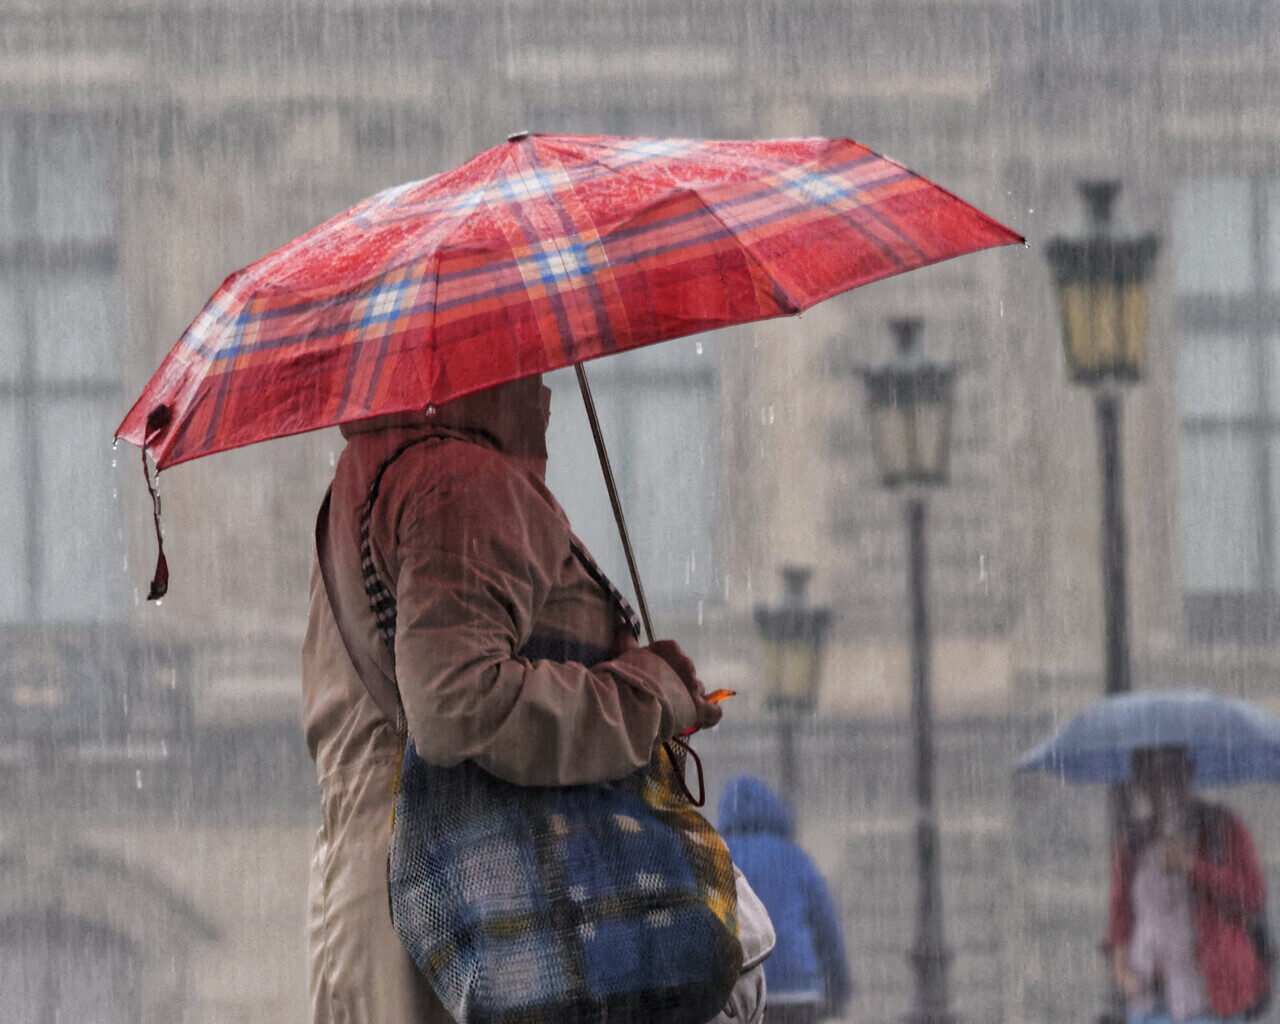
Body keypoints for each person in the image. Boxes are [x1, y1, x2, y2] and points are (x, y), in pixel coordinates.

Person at [301, 376, 761, 1024]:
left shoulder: (368, 476)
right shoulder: (458, 483)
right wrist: (647, 693)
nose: (545, 381)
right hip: (480, 906)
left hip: (381, 899)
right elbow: (457, 707)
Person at [1107, 746, 1269, 1024]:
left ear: (1189, 771)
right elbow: (1120, 917)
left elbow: (1252, 897)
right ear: (1140, 781)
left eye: (1171, 769)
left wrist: (1193, 866)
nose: (1163, 782)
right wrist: (1123, 972)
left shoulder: (1222, 828)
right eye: (1151, 774)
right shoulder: (1134, 842)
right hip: (1150, 997)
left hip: (1213, 996)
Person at [718, 776, 853, 1024]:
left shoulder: (719, 858)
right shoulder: (795, 858)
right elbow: (826, 930)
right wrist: (838, 991)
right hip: (797, 992)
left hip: (744, 993)